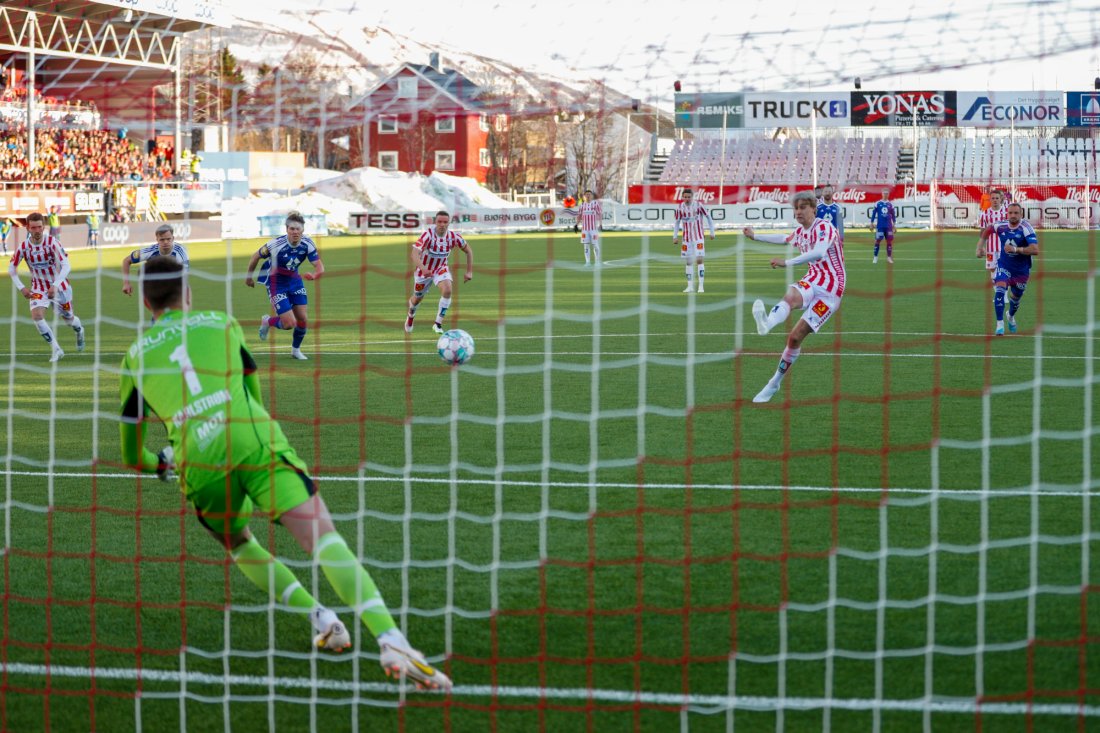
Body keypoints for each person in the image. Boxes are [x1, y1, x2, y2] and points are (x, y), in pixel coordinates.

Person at [118, 256, 451, 691]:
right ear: (189, 291)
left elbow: (130, 455)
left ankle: (322, 618)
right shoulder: (220, 323)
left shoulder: (134, 358)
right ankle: (392, 641)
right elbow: (252, 391)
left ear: (145, 300)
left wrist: (164, 462)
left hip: (198, 463)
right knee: (323, 537)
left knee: (238, 542)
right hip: (253, 439)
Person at [742, 191, 845, 403]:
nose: (798, 212)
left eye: (802, 208)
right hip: (813, 279)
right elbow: (784, 238)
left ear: (813, 209)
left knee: (795, 338)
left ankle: (774, 383)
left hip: (831, 290)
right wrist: (755, 236)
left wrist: (786, 263)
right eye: (795, 208)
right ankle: (767, 323)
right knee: (790, 296)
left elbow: (818, 252)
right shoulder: (801, 232)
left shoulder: (824, 227)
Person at [245, 212, 324, 361]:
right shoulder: (275, 245)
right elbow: (255, 256)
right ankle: (267, 321)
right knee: (289, 324)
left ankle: (296, 350)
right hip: (276, 283)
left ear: (302, 230)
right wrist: (249, 277)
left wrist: (314, 275)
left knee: (302, 319)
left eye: (298, 229)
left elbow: (320, 267)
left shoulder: (308, 244)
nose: (295, 232)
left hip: (294, 280)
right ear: (286, 229)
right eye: (292, 229)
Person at [7, 211, 85, 362]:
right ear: (28, 229)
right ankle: (56, 349)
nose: (37, 231)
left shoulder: (52, 242)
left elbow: (66, 265)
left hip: (60, 287)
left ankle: (80, 330)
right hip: (38, 288)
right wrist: (22, 288)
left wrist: (55, 286)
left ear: (43, 227)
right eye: (33, 228)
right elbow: (11, 269)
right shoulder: (23, 247)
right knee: (37, 316)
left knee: (69, 320)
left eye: (39, 227)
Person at [404, 211, 473, 334]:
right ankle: (411, 315)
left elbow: (468, 251)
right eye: (439, 222)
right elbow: (414, 253)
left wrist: (469, 272)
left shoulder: (454, 237)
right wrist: (423, 268)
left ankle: (438, 324)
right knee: (417, 299)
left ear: (449, 223)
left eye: (445, 222)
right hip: (423, 272)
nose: (442, 224)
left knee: (447, 290)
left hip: (441, 269)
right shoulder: (428, 235)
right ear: (435, 222)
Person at [991, 203, 1039, 336]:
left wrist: (1016, 249)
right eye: (1010, 213)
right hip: (1004, 265)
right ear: (1007, 214)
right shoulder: (1000, 225)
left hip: (1021, 270)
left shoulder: (1026, 228)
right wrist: (979, 245)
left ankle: (1010, 316)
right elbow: (988, 229)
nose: (1013, 215)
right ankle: (999, 324)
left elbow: (1035, 250)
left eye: (1016, 213)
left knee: (1016, 298)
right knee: (1000, 290)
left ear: (1021, 214)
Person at [121, 223, 189, 295]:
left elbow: (184, 274)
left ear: (173, 238)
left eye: (168, 239)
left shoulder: (181, 251)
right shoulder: (150, 251)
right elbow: (126, 261)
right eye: (162, 239)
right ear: (157, 240)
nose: (165, 242)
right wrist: (126, 283)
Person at [673, 188, 715, 293]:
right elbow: (677, 222)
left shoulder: (699, 205)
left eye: (689, 197)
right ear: (682, 197)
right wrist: (675, 236)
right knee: (688, 262)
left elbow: (708, 217)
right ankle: (690, 286)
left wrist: (712, 232)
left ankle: (701, 286)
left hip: (698, 237)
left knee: (699, 260)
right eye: (685, 197)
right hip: (686, 239)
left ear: (692, 197)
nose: (687, 199)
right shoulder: (680, 207)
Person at [975, 188, 1008, 282]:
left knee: (1005, 272)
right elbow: (982, 232)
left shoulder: (1007, 213)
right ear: (990, 199)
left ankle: (1002, 295)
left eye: (997, 198)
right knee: (993, 273)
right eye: (993, 198)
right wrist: (980, 247)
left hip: (1005, 248)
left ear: (1000, 199)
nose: (995, 200)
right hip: (990, 248)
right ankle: (999, 294)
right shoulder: (985, 214)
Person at [571, 189, 603, 266]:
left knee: (595, 245)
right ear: (584, 196)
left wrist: (600, 224)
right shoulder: (582, 205)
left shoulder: (595, 204)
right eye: (586, 194)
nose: (588, 196)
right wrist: (576, 225)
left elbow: (600, 214)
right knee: (586, 245)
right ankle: (587, 262)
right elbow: (579, 216)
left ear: (592, 196)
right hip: (585, 230)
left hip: (593, 229)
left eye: (589, 194)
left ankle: (597, 262)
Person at [869, 189, 896, 264]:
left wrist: (894, 225)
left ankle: (889, 257)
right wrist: (871, 223)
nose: (885, 195)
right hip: (880, 226)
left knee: (889, 241)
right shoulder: (878, 203)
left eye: (887, 193)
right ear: (882, 194)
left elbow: (893, 216)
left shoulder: (891, 204)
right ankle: (875, 257)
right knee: (878, 240)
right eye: (884, 193)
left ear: (888, 195)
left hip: (889, 226)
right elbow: (874, 214)